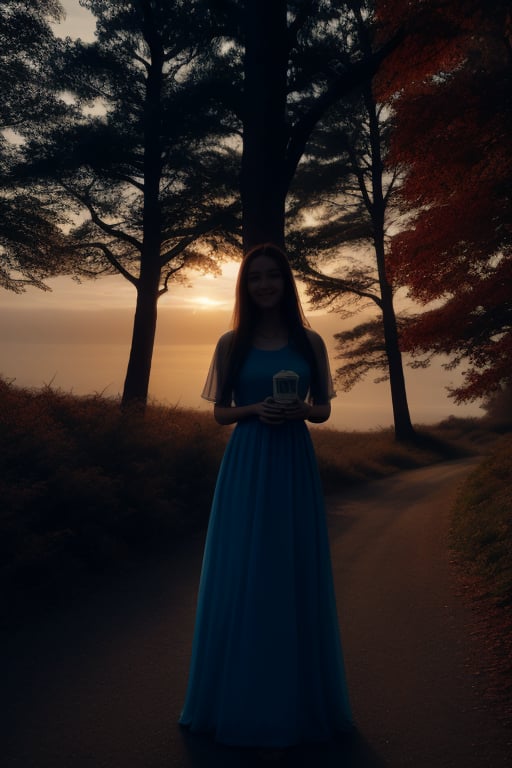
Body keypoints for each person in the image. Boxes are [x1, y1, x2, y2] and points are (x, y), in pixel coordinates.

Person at [179, 243, 352, 748]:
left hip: (293, 463)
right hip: (248, 462)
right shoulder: (230, 343)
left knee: (290, 571)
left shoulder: (310, 341)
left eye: (273, 276)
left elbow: (323, 410)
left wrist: (299, 411)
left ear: (286, 282)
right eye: (255, 278)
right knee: (244, 572)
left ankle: (293, 707)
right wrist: (256, 409)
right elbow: (220, 414)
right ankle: (237, 704)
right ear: (245, 286)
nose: (264, 285)